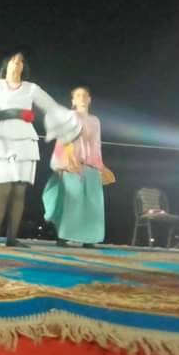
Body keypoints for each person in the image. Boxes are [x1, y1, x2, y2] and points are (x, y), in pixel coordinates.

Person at [0, 52, 81, 247]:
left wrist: (71, 121)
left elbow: (52, 107)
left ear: (23, 67)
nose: (17, 64)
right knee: (3, 189)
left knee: (19, 192)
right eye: (14, 60)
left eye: (21, 61)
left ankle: (12, 238)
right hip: (1, 139)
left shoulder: (31, 88)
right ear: (6, 65)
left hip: (25, 139)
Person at [42, 86, 113, 248]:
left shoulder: (95, 121)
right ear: (73, 101)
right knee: (72, 201)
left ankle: (89, 239)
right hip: (71, 164)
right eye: (78, 95)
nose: (82, 98)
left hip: (91, 164)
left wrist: (100, 166)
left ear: (89, 100)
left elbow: (96, 144)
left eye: (85, 95)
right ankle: (63, 236)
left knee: (93, 202)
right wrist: (62, 165)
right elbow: (61, 141)